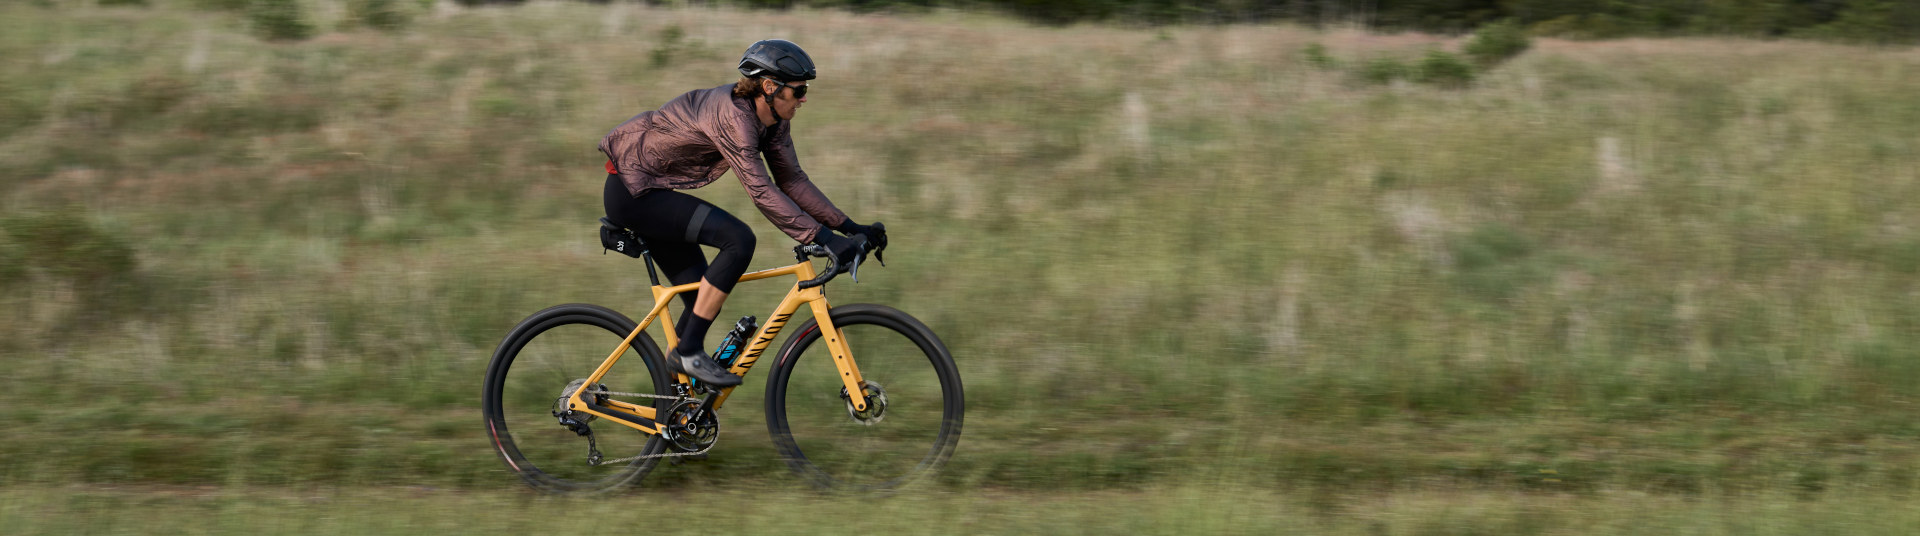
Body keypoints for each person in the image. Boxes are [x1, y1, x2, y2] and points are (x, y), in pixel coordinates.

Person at [598, 39, 886, 387]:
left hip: (651, 189)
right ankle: (687, 353)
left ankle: (675, 409)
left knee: (702, 298)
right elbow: (762, 191)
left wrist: (848, 226)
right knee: (738, 239)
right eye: (799, 90)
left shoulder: (774, 121)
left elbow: (792, 181)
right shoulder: (733, 117)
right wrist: (822, 238)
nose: (805, 98)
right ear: (769, 87)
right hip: (633, 192)